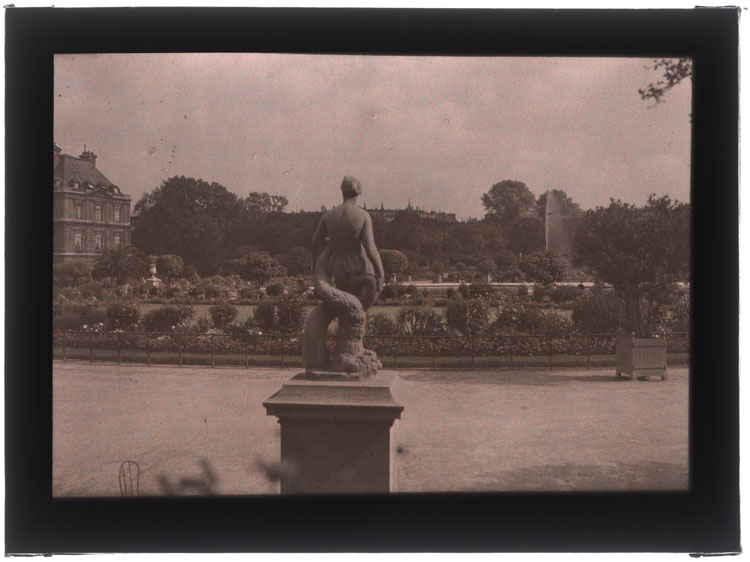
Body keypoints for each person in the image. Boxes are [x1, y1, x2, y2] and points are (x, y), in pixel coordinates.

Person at [311, 176, 385, 310]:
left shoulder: (329, 216)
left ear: (342, 190)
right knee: (359, 312)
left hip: (339, 269)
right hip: (360, 268)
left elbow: (315, 243)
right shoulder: (362, 215)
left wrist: (318, 265)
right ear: (358, 191)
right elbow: (370, 249)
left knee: (345, 313)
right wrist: (380, 273)